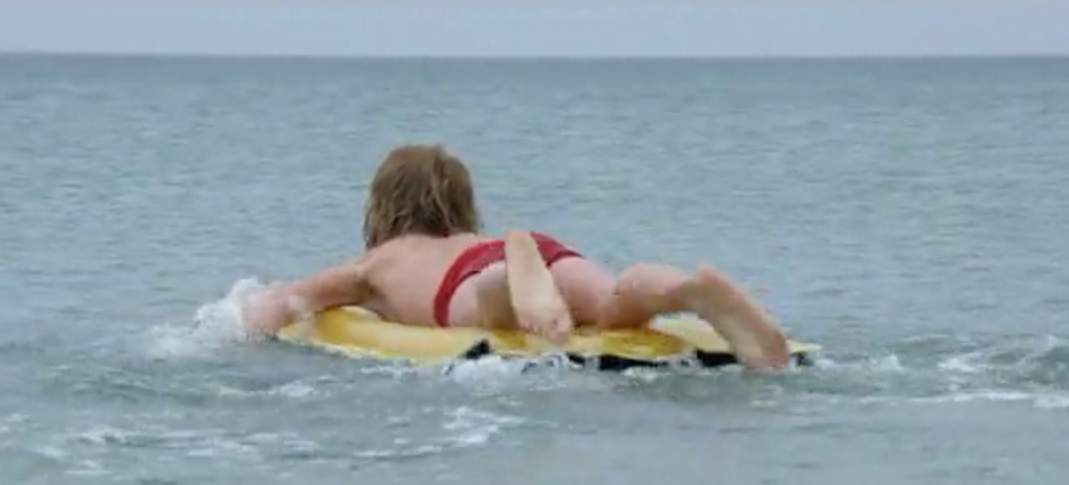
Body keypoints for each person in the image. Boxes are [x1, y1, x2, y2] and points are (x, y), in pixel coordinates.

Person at [242, 144, 791, 370]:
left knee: (490, 304)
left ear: (382, 208)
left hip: (481, 277)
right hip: (539, 252)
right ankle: (684, 291)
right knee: (610, 301)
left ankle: (509, 274)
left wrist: (243, 320)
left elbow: (288, 302)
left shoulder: (379, 263)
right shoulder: (469, 239)